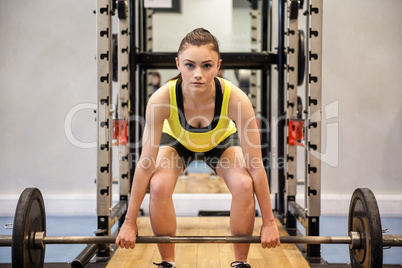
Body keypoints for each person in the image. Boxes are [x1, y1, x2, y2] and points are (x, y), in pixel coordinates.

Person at [116, 28, 280, 268]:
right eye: (190, 65)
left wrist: (269, 221)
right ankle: (167, 263)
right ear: (178, 64)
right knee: (159, 184)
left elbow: (256, 167)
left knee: (244, 184)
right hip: (177, 142)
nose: (198, 74)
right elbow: (145, 164)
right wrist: (130, 221)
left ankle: (240, 263)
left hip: (220, 142)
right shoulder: (161, 99)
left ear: (218, 66)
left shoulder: (237, 99)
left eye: (206, 66)